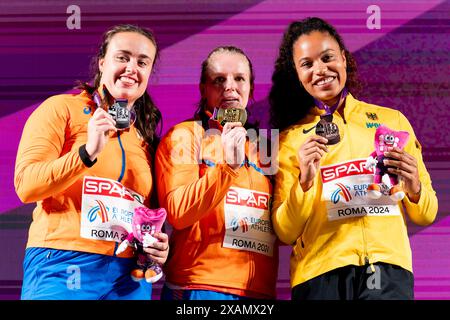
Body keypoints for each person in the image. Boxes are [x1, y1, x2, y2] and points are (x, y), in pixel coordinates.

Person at [269, 17, 438, 300]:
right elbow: (285, 231)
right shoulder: (291, 139)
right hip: (319, 273)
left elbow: (427, 212)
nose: (320, 70)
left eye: (327, 57)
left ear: (344, 59)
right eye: (307, 64)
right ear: (297, 75)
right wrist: (305, 183)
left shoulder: (392, 120)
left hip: (387, 269)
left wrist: (415, 187)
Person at [14, 24, 169, 300]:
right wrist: (86, 153)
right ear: (102, 62)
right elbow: (26, 185)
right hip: (62, 263)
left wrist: (157, 247)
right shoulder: (61, 109)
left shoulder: (145, 137)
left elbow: (148, 215)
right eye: (123, 57)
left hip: (128, 278)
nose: (132, 67)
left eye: (142, 62)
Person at [155, 46, 278, 300]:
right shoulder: (185, 135)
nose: (229, 87)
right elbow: (178, 212)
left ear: (251, 88)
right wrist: (227, 168)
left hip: (258, 290)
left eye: (239, 78)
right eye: (219, 80)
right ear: (204, 89)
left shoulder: (265, 148)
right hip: (198, 286)